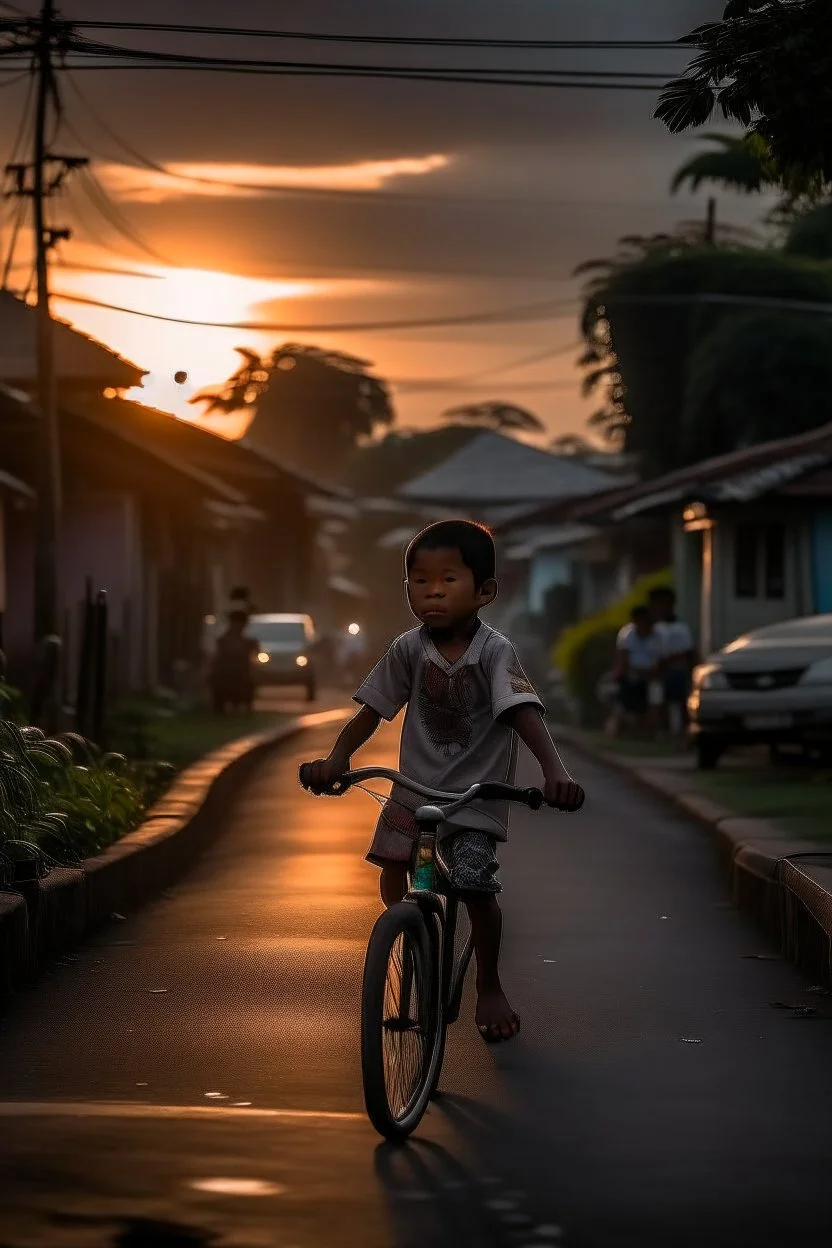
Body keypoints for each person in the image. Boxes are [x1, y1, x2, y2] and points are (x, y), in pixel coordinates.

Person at [301, 519, 584, 1043]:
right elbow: (372, 710)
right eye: (419, 580)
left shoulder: (494, 652)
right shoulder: (408, 649)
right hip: (414, 790)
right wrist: (337, 757)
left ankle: (490, 987)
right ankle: (412, 931)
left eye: (448, 580)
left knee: (476, 887)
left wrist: (554, 772)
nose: (432, 591)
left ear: (484, 592)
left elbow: (522, 712)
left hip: (475, 798)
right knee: (392, 874)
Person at [649, 586, 696, 737]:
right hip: (656, 672)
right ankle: (661, 731)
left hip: (675, 671)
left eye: (664, 604)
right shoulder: (653, 628)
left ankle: (682, 732)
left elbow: (686, 652)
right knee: (658, 702)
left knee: (679, 701)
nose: (660, 608)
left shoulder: (680, 628)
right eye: (657, 604)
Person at [612, 605, 663, 735]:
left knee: (655, 692)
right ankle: (623, 725)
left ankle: (652, 728)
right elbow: (623, 659)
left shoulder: (656, 636)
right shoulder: (627, 634)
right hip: (632, 674)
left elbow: (659, 661)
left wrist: (652, 675)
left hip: (650, 676)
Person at [209, 610, 259, 714]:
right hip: (226, 672)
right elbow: (217, 657)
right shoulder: (224, 640)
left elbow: (254, 656)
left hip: (241, 673)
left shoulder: (247, 641)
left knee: (247, 684)